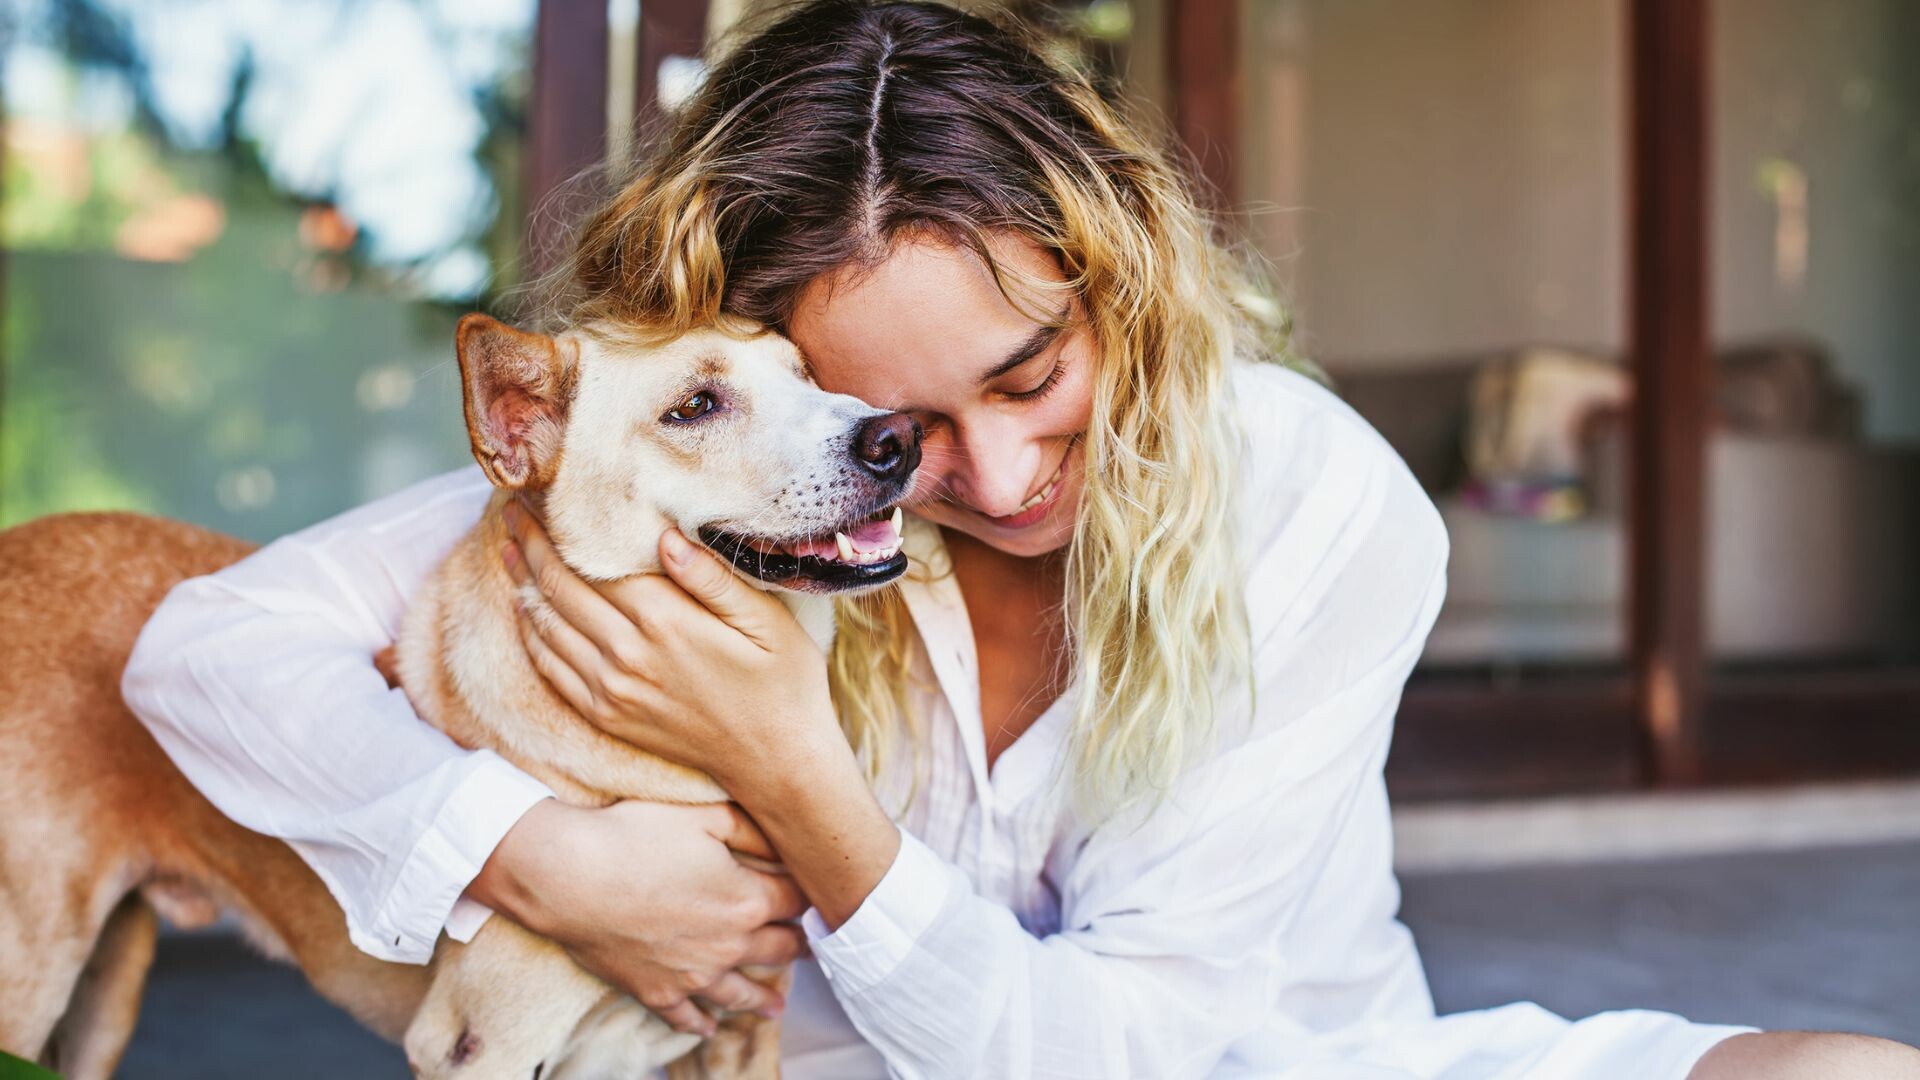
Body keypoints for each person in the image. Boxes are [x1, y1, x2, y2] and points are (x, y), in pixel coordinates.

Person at [121, 3, 1920, 1078]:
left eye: (1035, 373)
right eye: (894, 435)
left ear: (1117, 270)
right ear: (773, 387)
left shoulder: (1312, 499)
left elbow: (1116, 1056)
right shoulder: (728, 472)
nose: (993, 477)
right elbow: (200, 653)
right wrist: (530, 854)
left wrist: (786, 771)